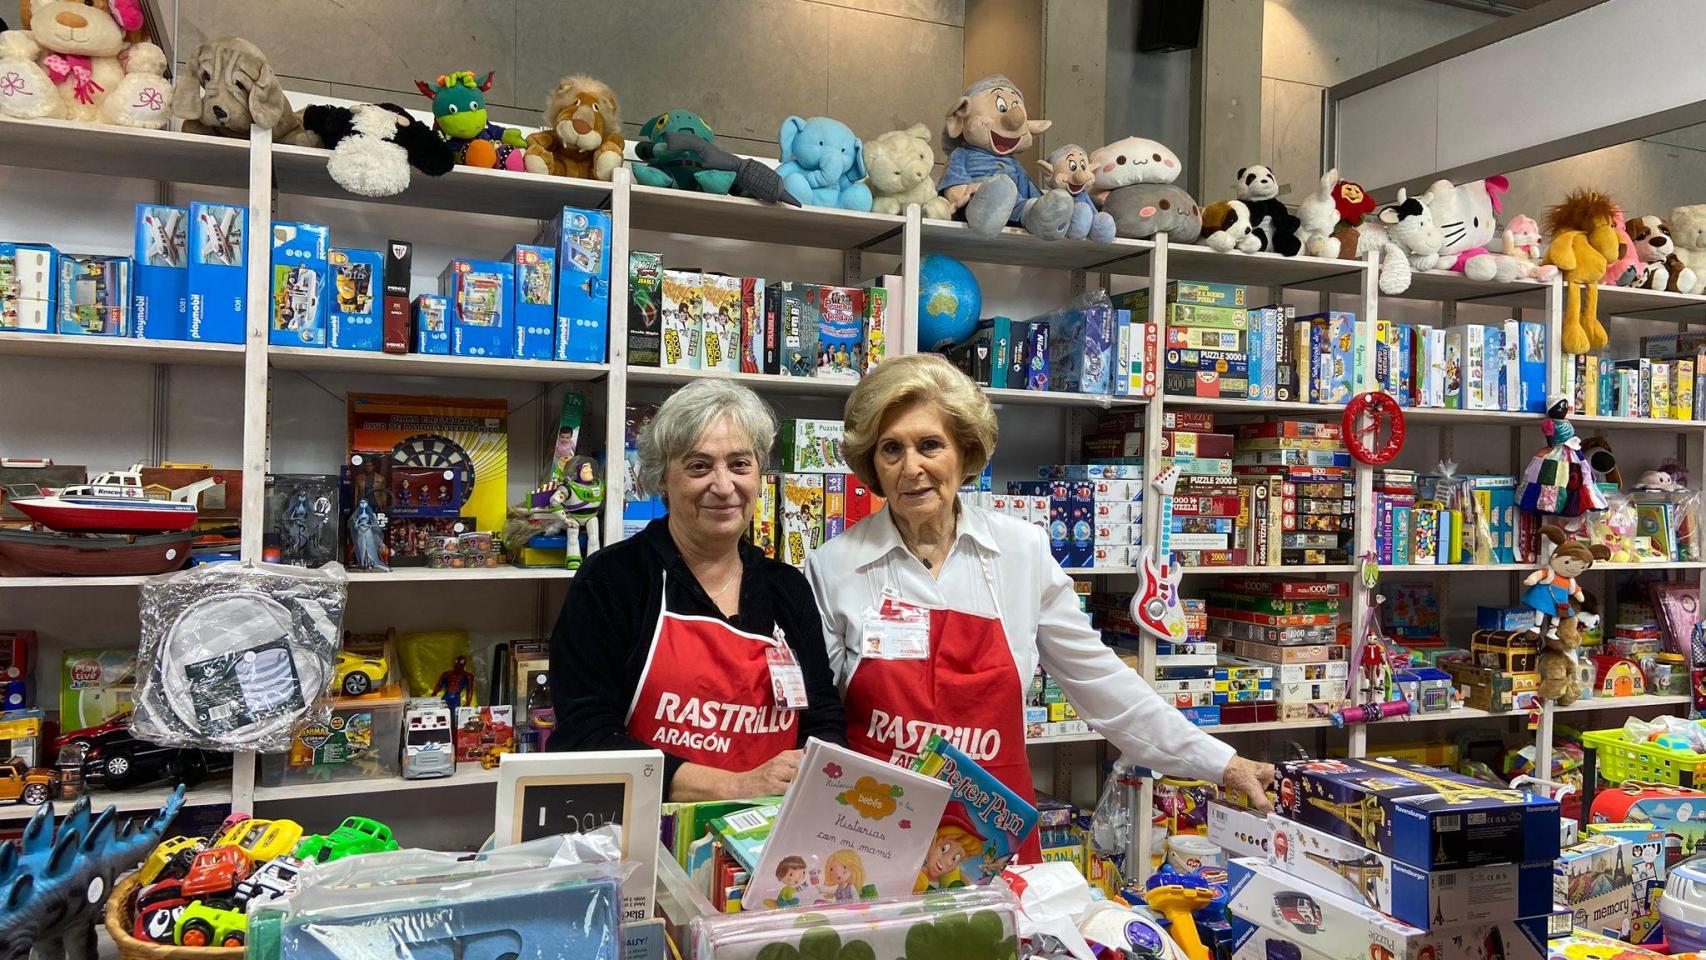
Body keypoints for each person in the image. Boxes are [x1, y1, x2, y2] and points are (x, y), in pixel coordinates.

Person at [806, 354, 1276, 861]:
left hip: (992, 835)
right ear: (872, 464)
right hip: (875, 830)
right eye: (891, 449)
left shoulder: (1020, 552)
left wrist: (1220, 762)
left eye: (930, 445)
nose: (911, 467)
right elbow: (819, 725)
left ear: (964, 452)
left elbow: (1102, 685)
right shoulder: (834, 567)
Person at [549, 380, 845, 801]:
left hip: (766, 837)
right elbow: (585, 737)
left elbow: (822, 718)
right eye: (699, 466)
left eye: (740, 464)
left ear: (760, 476)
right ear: (662, 480)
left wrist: (820, 775)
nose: (724, 486)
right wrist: (735, 785)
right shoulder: (613, 580)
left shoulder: (786, 588)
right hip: (649, 836)